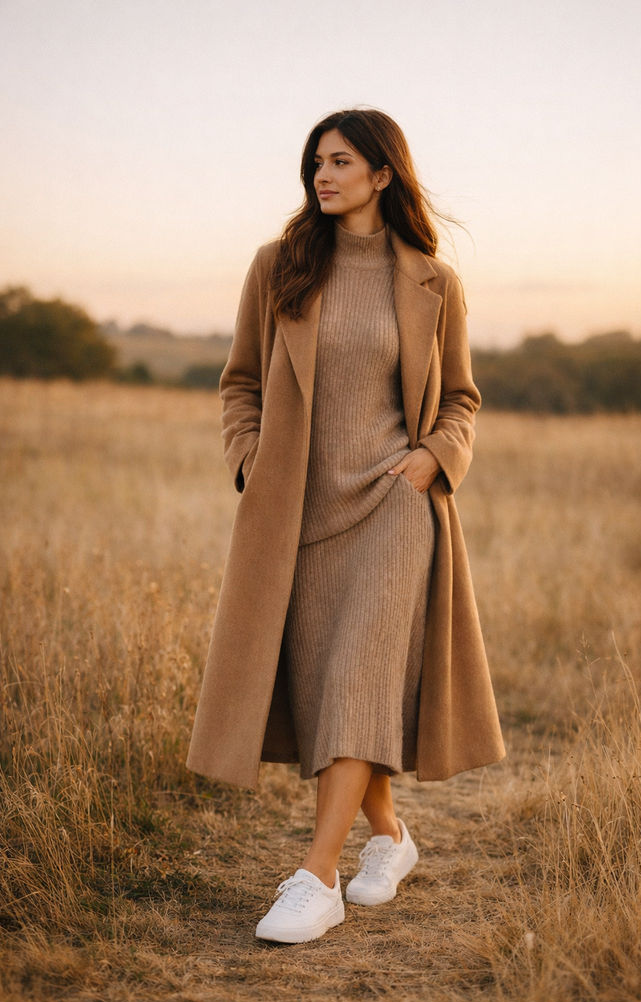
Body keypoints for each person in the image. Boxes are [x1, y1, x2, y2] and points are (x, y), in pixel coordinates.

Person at [186, 108, 505, 944]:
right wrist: (249, 459)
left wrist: (435, 457)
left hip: (395, 507)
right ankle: (391, 840)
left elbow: (463, 399)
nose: (323, 177)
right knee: (332, 688)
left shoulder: (434, 281)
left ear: (382, 175)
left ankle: (316, 875)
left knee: (360, 678)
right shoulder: (278, 267)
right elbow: (240, 383)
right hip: (297, 516)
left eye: (339, 162)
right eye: (315, 164)